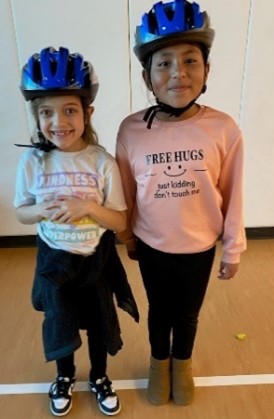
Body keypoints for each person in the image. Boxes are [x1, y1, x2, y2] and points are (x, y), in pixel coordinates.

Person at [116, 0, 246, 407]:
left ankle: (182, 364)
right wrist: (128, 238)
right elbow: (126, 191)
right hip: (152, 243)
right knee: (159, 310)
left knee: (187, 314)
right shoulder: (132, 130)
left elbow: (234, 189)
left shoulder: (222, 128)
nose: (178, 73)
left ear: (206, 70)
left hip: (199, 246)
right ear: (147, 76)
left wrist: (233, 245)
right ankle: (159, 363)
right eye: (164, 63)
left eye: (190, 60)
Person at [14, 46, 139, 417]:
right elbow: (22, 214)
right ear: (36, 116)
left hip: (95, 260)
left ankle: (99, 376)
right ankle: (65, 376)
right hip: (54, 260)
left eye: (70, 110)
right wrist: (43, 209)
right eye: (46, 112)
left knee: (99, 324)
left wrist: (87, 207)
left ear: (87, 112)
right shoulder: (33, 161)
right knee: (61, 323)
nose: (58, 121)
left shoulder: (102, 162)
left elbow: (119, 222)